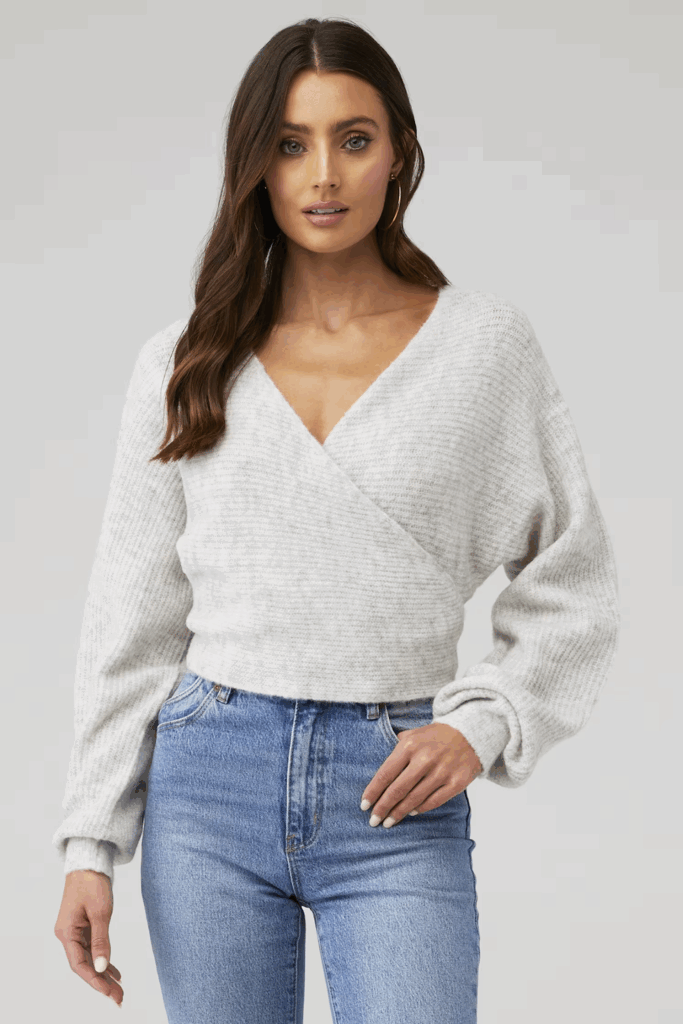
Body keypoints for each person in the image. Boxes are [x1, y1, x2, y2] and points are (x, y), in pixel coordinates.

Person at [52, 16, 620, 1024]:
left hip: (394, 787)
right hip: (206, 789)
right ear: (255, 165)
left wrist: (481, 723)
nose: (323, 175)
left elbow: (570, 578)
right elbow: (130, 618)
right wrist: (90, 843)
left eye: (353, 139)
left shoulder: (481, 350)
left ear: (397, 152)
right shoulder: (185, 361)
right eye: (290, 143)